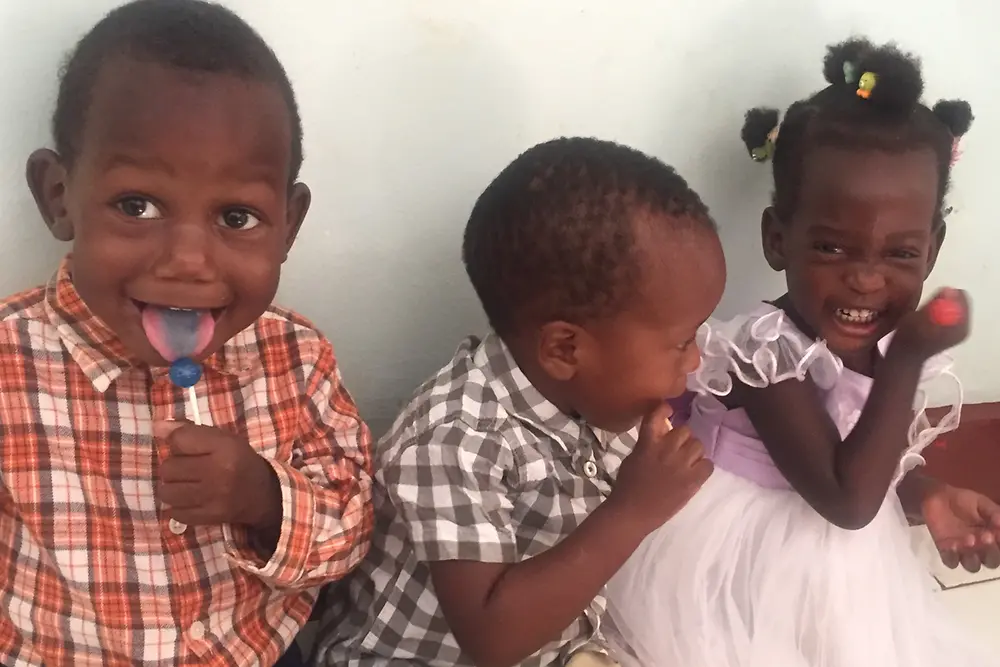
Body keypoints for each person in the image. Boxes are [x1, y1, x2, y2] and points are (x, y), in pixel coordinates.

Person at [0, 1, 373, 665]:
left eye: (237, 216)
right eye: (136, 205)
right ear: (58, 195)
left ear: (288, 226)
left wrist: (263, 497)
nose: (189, 260)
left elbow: (353, 528)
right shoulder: (9, 365)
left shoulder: (298, 359)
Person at [607, 37, 1000, 667]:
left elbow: (864, 458)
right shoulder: (764, 357)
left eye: (899, 254)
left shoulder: (891, 340)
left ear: (931, 249)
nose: (867, 281)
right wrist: (908, 361)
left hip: (839, 568)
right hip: (734, 559)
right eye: (833, 248)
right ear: (777, 239)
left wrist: (924, 490)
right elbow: (844, 498)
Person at [314, 137, 724, 667]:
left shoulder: (599, 399)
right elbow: (492, 637)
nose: (693, 362)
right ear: (565, 348)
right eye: (681, 342)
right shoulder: (456, 438)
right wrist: (633, 509)